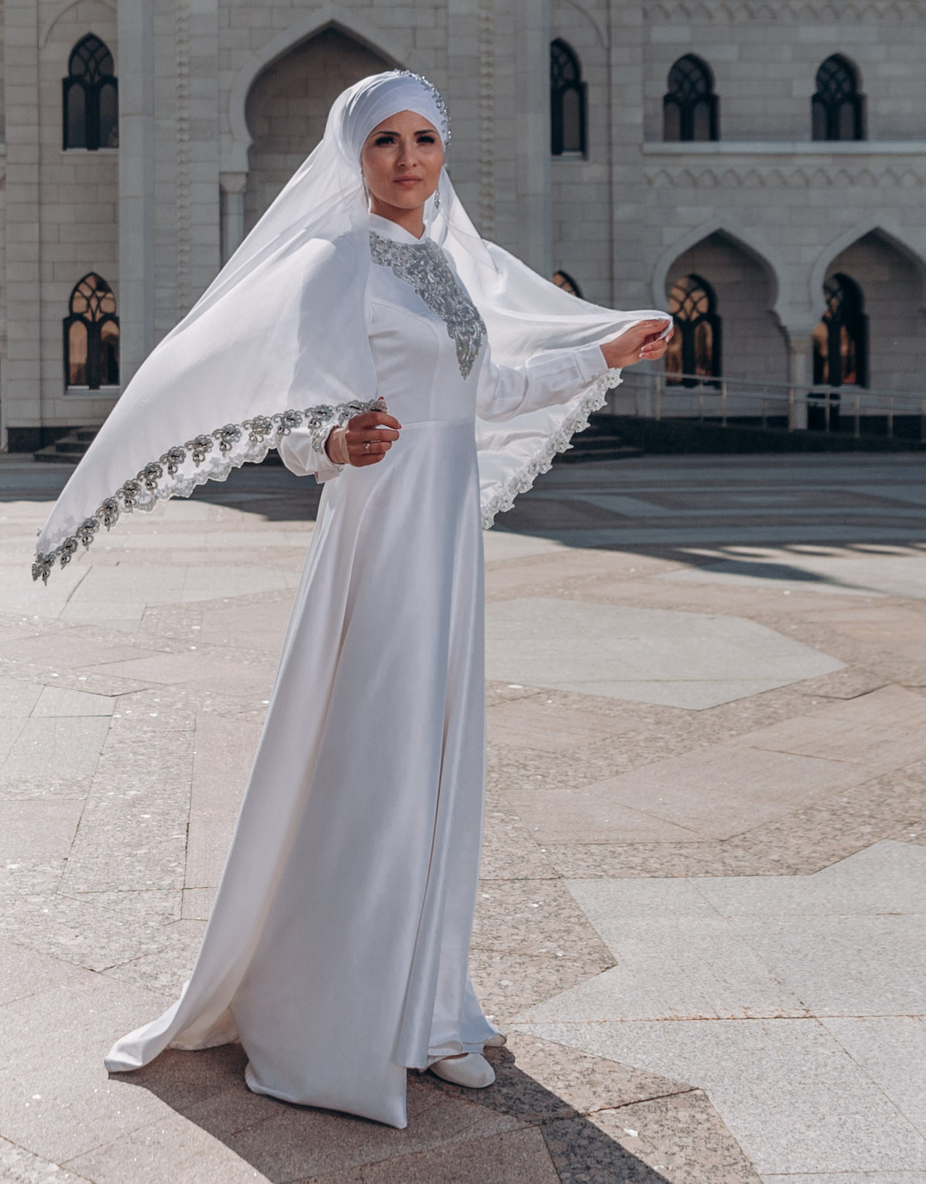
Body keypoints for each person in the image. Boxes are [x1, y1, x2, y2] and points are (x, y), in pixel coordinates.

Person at [33, 70, 666, 1128]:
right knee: (371, 759)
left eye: (426, 137)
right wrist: (328, 440)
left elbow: (487, 393)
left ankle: (426, 1013)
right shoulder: (332, 263)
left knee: (435, 760)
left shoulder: (443, 265)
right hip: (379, 531)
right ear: (351, 154)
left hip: (445, 537)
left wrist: (605, 351)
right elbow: (288, 404)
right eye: (385, 141)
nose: (408, 158)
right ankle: (333, 1020)